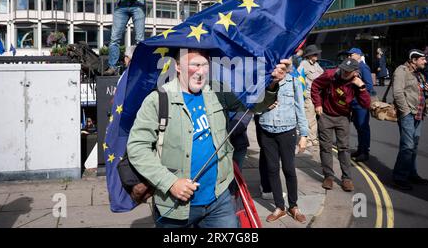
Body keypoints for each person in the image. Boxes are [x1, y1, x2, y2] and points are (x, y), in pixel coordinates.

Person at [126, 48, 290, 228]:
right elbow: (137, 147)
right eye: (195, 65)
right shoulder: (157, 99)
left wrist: (273, 83)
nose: (201, 71)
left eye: (205, 65)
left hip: (219, 200)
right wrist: (170, 183)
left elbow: (255, 104)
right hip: (175, 206)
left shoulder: (217, 90)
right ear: (178, 67)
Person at [311, 58, 371, 192]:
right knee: (325, 147)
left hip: (343, 117)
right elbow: (315, 86)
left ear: (355, 72)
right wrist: (318, 104)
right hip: (325, 115)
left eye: (348, 71)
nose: (344, 72)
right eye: (343, 69)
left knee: (344, 148)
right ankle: (328, 176)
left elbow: (366, 104)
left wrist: (361, 88)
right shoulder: (330, 75)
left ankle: (346, 178)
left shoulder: (356, 82)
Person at [258, 68, 308, 223]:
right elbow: (252, 106)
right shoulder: (263, 80)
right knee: (272, 169)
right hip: (266, 130)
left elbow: (300, 107)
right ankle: (280, 207)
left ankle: (293, 206)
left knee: (288, 168)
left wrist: (304, 135)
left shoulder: (293, 81)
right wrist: (264, 107)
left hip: (288, 130)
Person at [392, 49, 428, 190]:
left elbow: (421, 94)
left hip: (419, 114)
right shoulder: (401, 71)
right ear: (414, 60)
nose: (425, 61)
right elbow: (397, 92)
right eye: (422, 59)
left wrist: (427, 90)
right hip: (408, 114)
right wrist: (405, 111)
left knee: (413, 146)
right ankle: (399, 177)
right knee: (407, 146)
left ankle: (411, 173)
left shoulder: (419, 75)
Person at [347, 48, 374, 162]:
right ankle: (360, 149)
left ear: (358, 55)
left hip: (361, 103)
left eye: (351, 55)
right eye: (348, 55)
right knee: (358, 127)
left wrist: (359, 88)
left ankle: (365, 152)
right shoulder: (355, 67)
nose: (349, 57)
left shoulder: (363, 67)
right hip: (354, 103)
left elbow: (369, 85)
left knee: (363, 127)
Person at [298, 44, 324, 148]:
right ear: (309, 55)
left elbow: (323, 75)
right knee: (310, 119)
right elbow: (299, 79)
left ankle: (313, 138)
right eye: (315, 54)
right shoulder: (303, 64)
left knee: (317, 119)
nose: (317, 55)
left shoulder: (316, 64)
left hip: (318, 95)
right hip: (308, 96)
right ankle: (309, 139)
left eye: (317, 53)